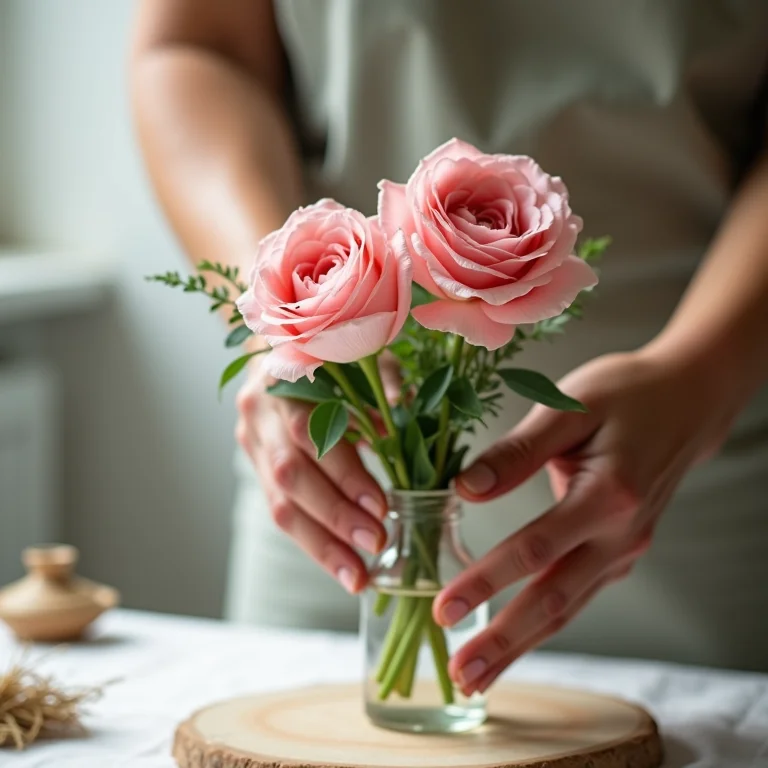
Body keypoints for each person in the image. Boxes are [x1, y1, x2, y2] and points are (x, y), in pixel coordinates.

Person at [130, 0, 768, 684]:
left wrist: (702, 372)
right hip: (340, 508)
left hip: (685, 490)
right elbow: (196, 48)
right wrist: (282, 326)